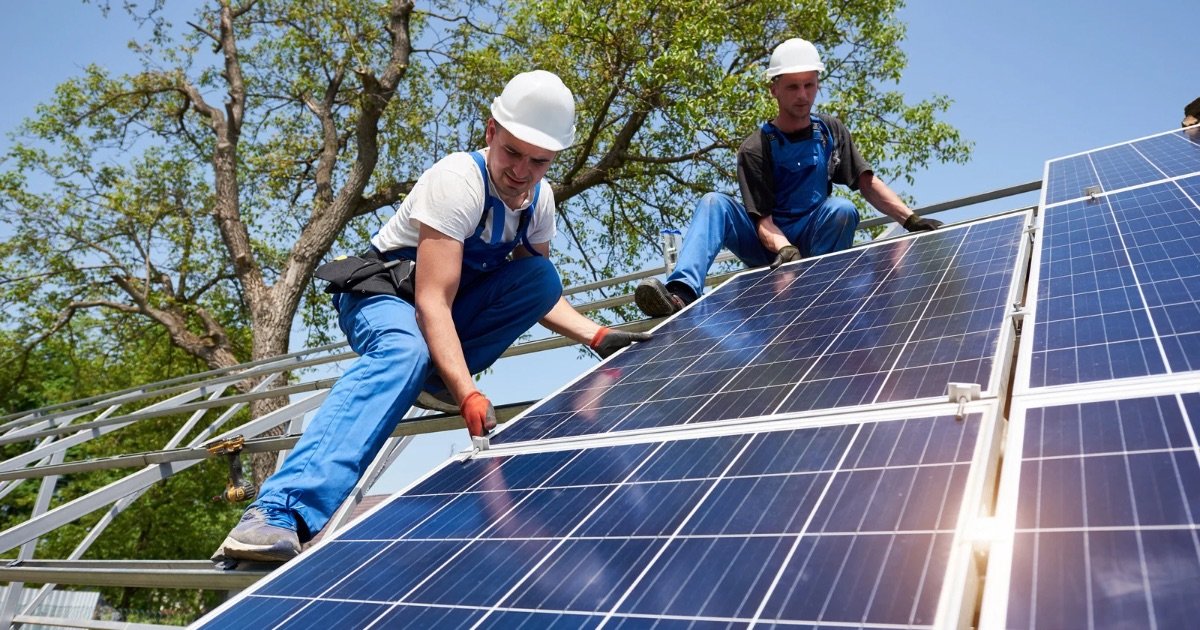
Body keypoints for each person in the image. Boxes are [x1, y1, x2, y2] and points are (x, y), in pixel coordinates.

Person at [211, 70, 651, 564]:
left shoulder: (539, 203)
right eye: (512, 152)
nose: (522, 171)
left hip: (443, 316)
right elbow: (432, 301)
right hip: (386, 298)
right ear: (491, 133)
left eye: (539, 160)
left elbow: (536, 294)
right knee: (403, 351)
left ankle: (434, 376)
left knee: (542, 276)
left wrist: (597, 335)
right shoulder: (457, 181)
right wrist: (467, 390)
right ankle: (277, 512)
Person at [634, 38, 942, 318]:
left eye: (809, 85)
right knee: (713, 203)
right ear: (774, 89)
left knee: (842, 209)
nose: (803, 95)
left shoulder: (829, 132)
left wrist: (910, 219)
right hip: (768, 244)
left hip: (813, 235)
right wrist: (783, 247)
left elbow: (865, 182)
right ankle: (681, 294)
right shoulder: (756, 147)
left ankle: (821, 293)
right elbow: (761, 221)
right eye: (793, 87)